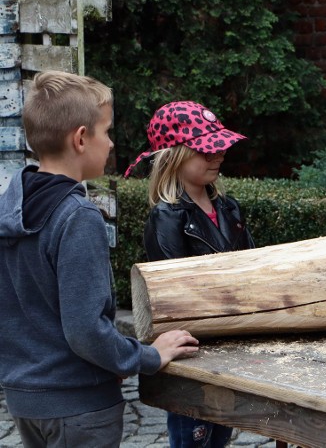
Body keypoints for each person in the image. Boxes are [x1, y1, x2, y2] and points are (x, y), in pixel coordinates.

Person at [0, 71, 199, 448]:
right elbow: (85, 331)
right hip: (81, 407)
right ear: (80, 138)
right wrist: (147, 357)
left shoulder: (9, 209)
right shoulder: (78, 217)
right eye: (106, 132)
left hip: (25, 402)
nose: (110, 144)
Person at [124, 100, 255, 447]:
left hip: (231, 344)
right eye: (206, 150)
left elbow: (254, 264)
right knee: (192, 439)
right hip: (192, 352)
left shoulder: (229, 207)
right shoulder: (166, 218)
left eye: (219, 148)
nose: (219, 156)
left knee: (221, 434)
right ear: (175, 156)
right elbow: (174, 292)